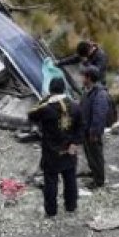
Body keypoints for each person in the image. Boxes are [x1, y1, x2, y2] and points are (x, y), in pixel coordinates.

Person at [28, 77, 83, 217]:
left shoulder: (46, 108)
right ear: (64, 89)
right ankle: (71, 206)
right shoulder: (75, 106)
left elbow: (31, 115)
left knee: (51, 181)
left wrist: (45, 100)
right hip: (70, 149)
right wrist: (75, 143)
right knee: (70, 178)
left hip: (52, 151)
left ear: (51, 90)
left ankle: (51, 211)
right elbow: (81, 128)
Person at [81, 66, 111, 189]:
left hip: (92, 131)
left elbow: (99, 115)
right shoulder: (89, 90)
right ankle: (94, 171)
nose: (82, 78)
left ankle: (99, 180)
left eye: (84, 76)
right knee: (90, 153)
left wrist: (94, 132)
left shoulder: (100, 94)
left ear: (89, 78)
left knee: (96, 154)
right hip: (86, 129)